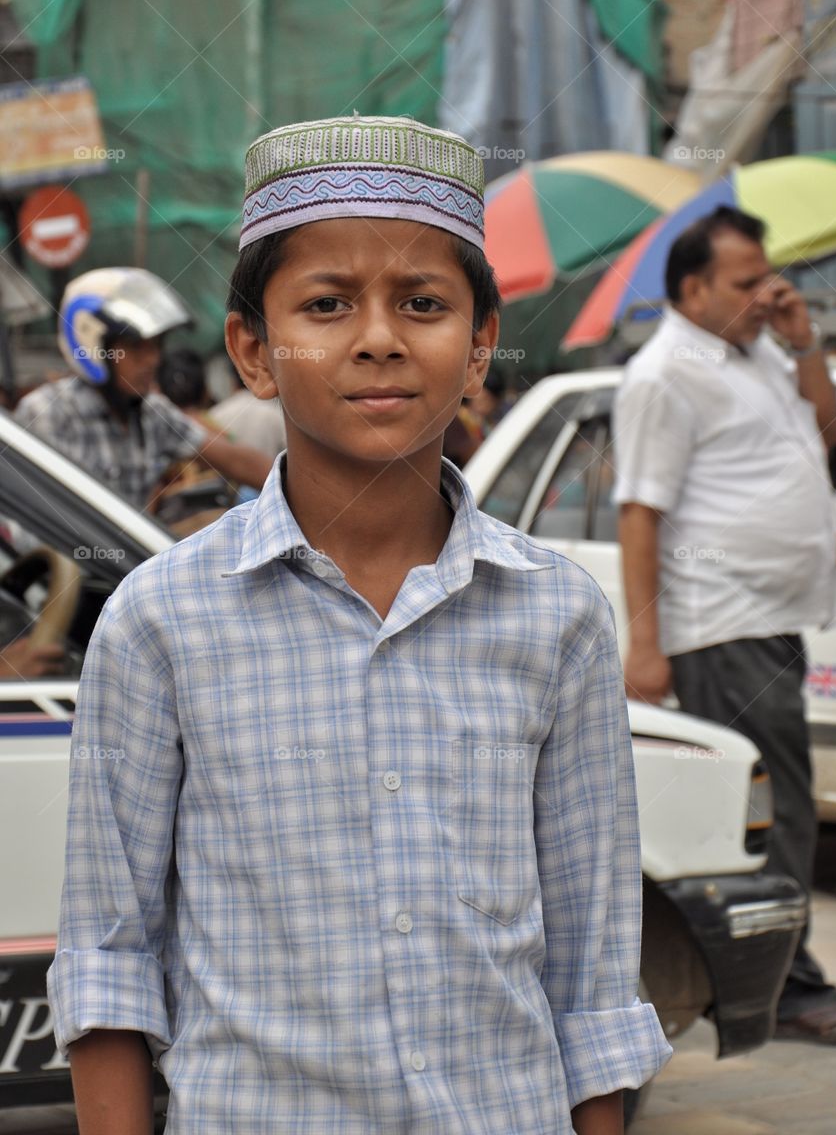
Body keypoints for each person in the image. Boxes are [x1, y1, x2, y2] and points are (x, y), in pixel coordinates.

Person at [48, 115, 670, 1135]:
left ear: (478, 347)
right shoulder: (162, 621)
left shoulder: (558, 615)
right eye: (328, 303)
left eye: (422, 303)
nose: (378, 336)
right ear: (253, 349)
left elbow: (593, 975)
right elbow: (110, 963)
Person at [613, 204, 836, 1045]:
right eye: (746, 282)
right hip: (718, 624)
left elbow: (829, 444)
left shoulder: (748, 357)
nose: (766, 291)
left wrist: (801, 340)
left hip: (768, 617)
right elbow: (638, 510)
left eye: (765, 275)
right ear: (692, 288)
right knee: (776, 814)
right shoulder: (663, 375)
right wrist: (645, 643)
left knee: (779, 807)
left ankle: (780, 977)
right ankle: (784, 987)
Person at [15, 268, 272, 511]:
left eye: (156, 345)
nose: (153, 359)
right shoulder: (48, 412)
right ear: (93, 345)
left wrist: (295, 488)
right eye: (136, 346)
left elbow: (235, 460)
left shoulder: (152, 411)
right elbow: (38, 516)